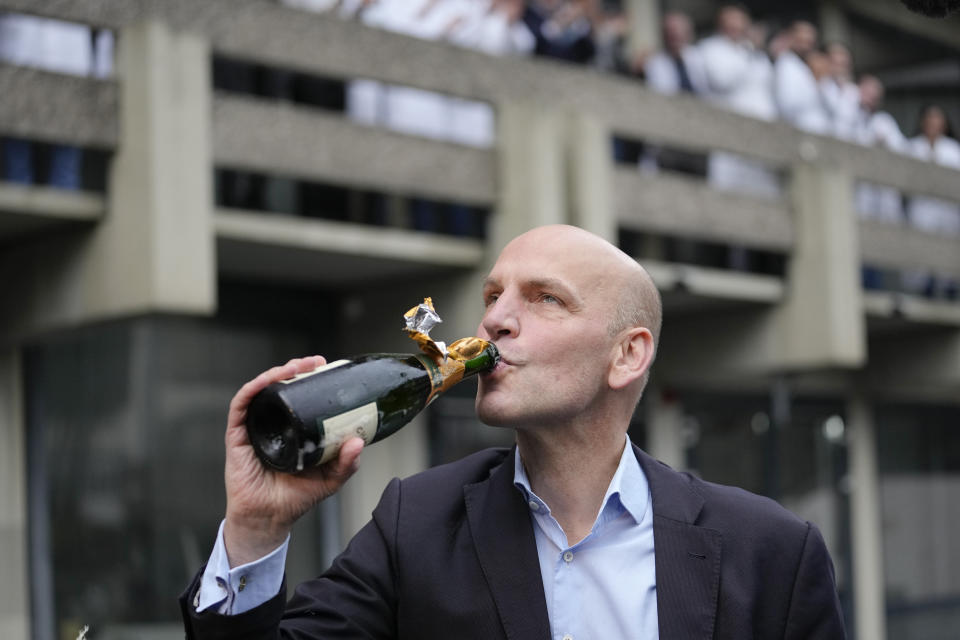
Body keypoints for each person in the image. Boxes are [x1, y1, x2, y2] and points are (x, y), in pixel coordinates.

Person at [180, 225, 847, 639]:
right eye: (493, 296)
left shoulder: (772, 554)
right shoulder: (414, 525)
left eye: (544, 298)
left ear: (627, 355)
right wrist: (256, 531)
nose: (495, 320)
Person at [698, 6, 781, 200]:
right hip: (729, 133)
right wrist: (749, 49)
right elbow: (722, 80)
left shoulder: (758, 56)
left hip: (762, 136)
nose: (736, 28)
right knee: (730, 191)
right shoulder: (711, 48)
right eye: (731, 23)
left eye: (740, 23)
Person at [904, 104, 960, 298]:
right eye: (929, 119)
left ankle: (949, 293)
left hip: (947, 211)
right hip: (922, 208)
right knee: (922, 256)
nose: (933, 123)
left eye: (937, 119)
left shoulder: (954, 150)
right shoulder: (912, 147)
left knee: (947, 260)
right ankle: (923, 292)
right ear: (923, 122)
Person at [774, 21, 830, 135]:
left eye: (809, 42)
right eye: (802, 41)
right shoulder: (786, 63)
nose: (806, 46)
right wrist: (815, 82)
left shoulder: (805, 69)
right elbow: (787, 104)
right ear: (791, 39)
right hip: (797, 132)